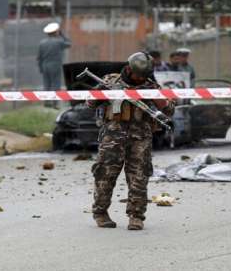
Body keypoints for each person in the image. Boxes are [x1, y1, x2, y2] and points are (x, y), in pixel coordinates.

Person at [88, 52, 174, 230]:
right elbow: (89, 103)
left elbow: (169, 111)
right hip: (112, 136)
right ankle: (100, 212)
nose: (141, 78)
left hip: (141, 137)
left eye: (145, 75)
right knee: (105, 174)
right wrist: (101, 94)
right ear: (129, 69)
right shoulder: (110, 81)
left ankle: (136, 216)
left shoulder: (151, 86)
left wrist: (161, 101)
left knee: (139, 176)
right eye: (139, 75)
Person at [37, 22, 72, 94]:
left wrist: (41, 68)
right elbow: (69, 44)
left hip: (45, 66)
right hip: (55, 66)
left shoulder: (42, 43)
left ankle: (47, 101)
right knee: (56, 84)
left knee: (46, 84)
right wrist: (62, 35)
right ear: (56, 32)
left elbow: (39, 57)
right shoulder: (59, 41)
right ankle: (55, 102)